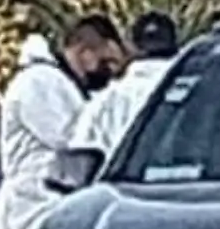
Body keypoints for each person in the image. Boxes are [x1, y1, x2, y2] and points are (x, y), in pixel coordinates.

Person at [0, 15, 124, 229]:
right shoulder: (41, 83)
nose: (110, 73)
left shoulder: (65, 86)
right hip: (30, 207)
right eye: (107, 62)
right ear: (83, 52)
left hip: (53, 208)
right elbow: (77, 141)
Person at [67, 10, 180, 160]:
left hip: (118, 182)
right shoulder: (203, 93)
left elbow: (79, 158)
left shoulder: (106, 101)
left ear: (132, 47)